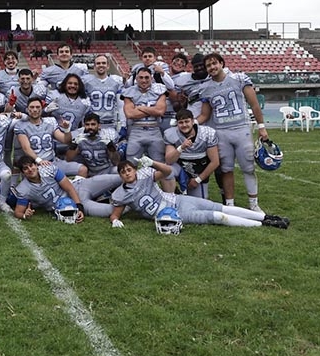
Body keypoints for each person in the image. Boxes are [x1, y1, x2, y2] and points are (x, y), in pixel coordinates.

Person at [108, 159, 289, 230]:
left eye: (129, 170)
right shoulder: (121, 194)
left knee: (221, 207)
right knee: (218, 216)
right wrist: (115, 220)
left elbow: (167, 171)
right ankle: (261, 225)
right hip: (171, 214)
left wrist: (153, 163)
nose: (127, 173)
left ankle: (266, 217)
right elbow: (115, 213)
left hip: (177, 199)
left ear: (134, 169)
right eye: (123, 172)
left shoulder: (145, 174)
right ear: (120, 175)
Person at [197, 53, 269, 212]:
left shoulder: (239, 78)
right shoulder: (206, 87)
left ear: (221, 63)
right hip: (221, 132)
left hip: (241, 128)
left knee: (248, 167)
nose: (212, 67)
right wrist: (191, 123)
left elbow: (254, 104)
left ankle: (254, 204)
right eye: (208, 66)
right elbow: (204, 115)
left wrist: (261, 126)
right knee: (226, 169)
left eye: (214, 63)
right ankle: (229, 204)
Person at [12, 155, 118, 221]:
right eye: (26, 169)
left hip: (78, 188)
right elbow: (18, 212)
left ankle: (133, 180)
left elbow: (69, 188)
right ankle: (129, 203)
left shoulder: (48, 169)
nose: (30, 169)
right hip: (66, 205)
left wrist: (79, 206)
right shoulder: (24, 189)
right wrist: (24, 215)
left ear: (36, 165)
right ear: (22, 173)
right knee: (112, 211)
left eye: (31, 166)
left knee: (113, 179)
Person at [14, 96, 85, 177]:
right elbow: (26, 148)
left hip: (53, 161)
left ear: (42, 108)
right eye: (32, 107)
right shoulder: (21, 125)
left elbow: (64, 140)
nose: (35, 110)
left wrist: (66, 130)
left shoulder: (50, 121)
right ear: (27, 109)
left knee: (82, 170)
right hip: (35, 165)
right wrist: (39, 161)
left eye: (37, 107)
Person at [163, 109, 219, 199]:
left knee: (200, 203)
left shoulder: (207, 134)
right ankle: (169, 201)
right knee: (165, 171)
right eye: (181, 122)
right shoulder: (171, 133)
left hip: (198, 171)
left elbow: (215, 162)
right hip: (179, 168)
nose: (184, 125)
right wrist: (181, 148)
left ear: (193, 121)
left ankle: (182, 194)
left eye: (187, 121)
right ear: (177, 124)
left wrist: (198, 180)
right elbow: (169, 160)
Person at [121, 67, 167, 163]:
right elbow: (130, 114)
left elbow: (160, 111)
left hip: (154, 129)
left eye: (147, 77)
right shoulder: (129, 91)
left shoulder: (160, 89)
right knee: (131, 162)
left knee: (159, 162)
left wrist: (140, 108)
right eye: (141, 78)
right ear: (136, 79)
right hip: (136, 130)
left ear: (151, 78)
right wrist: (152, 110)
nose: (144, 80)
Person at [82, 54, 126, 132]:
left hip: (110, 124)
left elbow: (120, 106)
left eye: (103, 63)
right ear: (94, 66)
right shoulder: (87, 82)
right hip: (92, 125)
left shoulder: (116, 81)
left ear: (108, 66)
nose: (101, 65)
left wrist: (123, 124)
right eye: (98, 63)